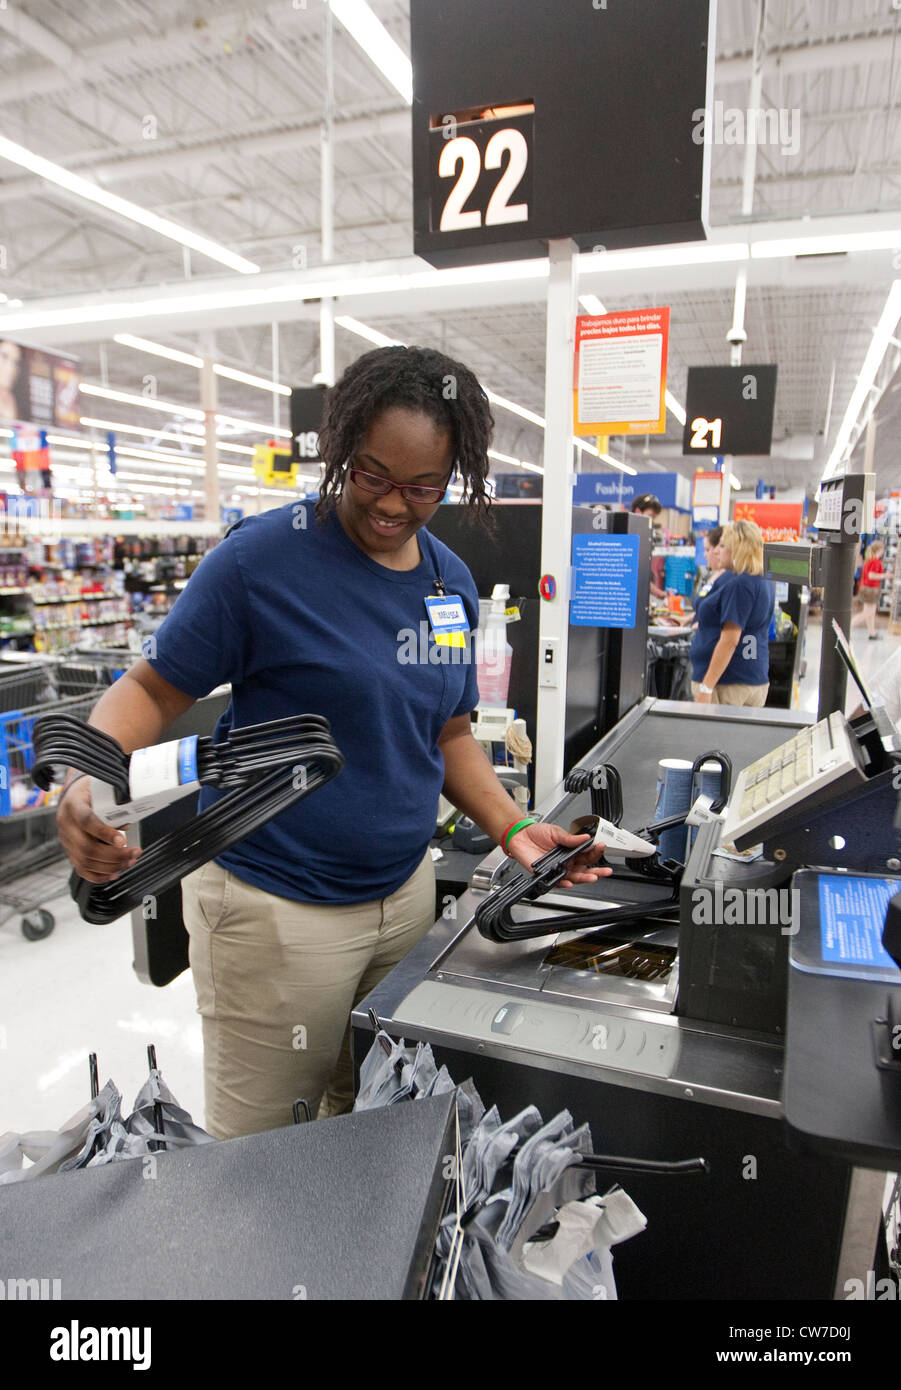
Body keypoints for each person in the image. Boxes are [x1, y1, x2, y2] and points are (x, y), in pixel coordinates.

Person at [55, 345, 610, 1140]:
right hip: (275, 911)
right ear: (339, 451)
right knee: (265, 1156)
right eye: (371, 474)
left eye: (421, 487)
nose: (392, 504)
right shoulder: (258, 562)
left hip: (403, 899)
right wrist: (87, 769)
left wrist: (514, 828)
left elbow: (448, 729)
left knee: (370, 1125)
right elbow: (151, 688)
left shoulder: (447, 582)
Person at [690, 519, 774, 706]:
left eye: (723, 545)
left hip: (728, 683)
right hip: (752, 675)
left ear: (736, 548)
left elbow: (730, 639)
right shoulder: (763, 579)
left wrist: (706, 687)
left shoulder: (740, 584)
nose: (718, 551)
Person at [631, 494, 666, 600]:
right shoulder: (630, 540)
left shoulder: (645, 537)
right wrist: (658, 592)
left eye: (654, 517)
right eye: (650, 516)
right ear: (638, 512)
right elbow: (636, 574)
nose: (653, 521)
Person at [851, 539, 885, 639]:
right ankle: (848, 628)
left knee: (870, 612)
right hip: (871, 589)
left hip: (868, 589)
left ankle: (872, 633)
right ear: (879, 550)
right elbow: (871, 575)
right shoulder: (875, 562)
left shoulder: (869, 560)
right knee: (867, 613)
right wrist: (885, 576)